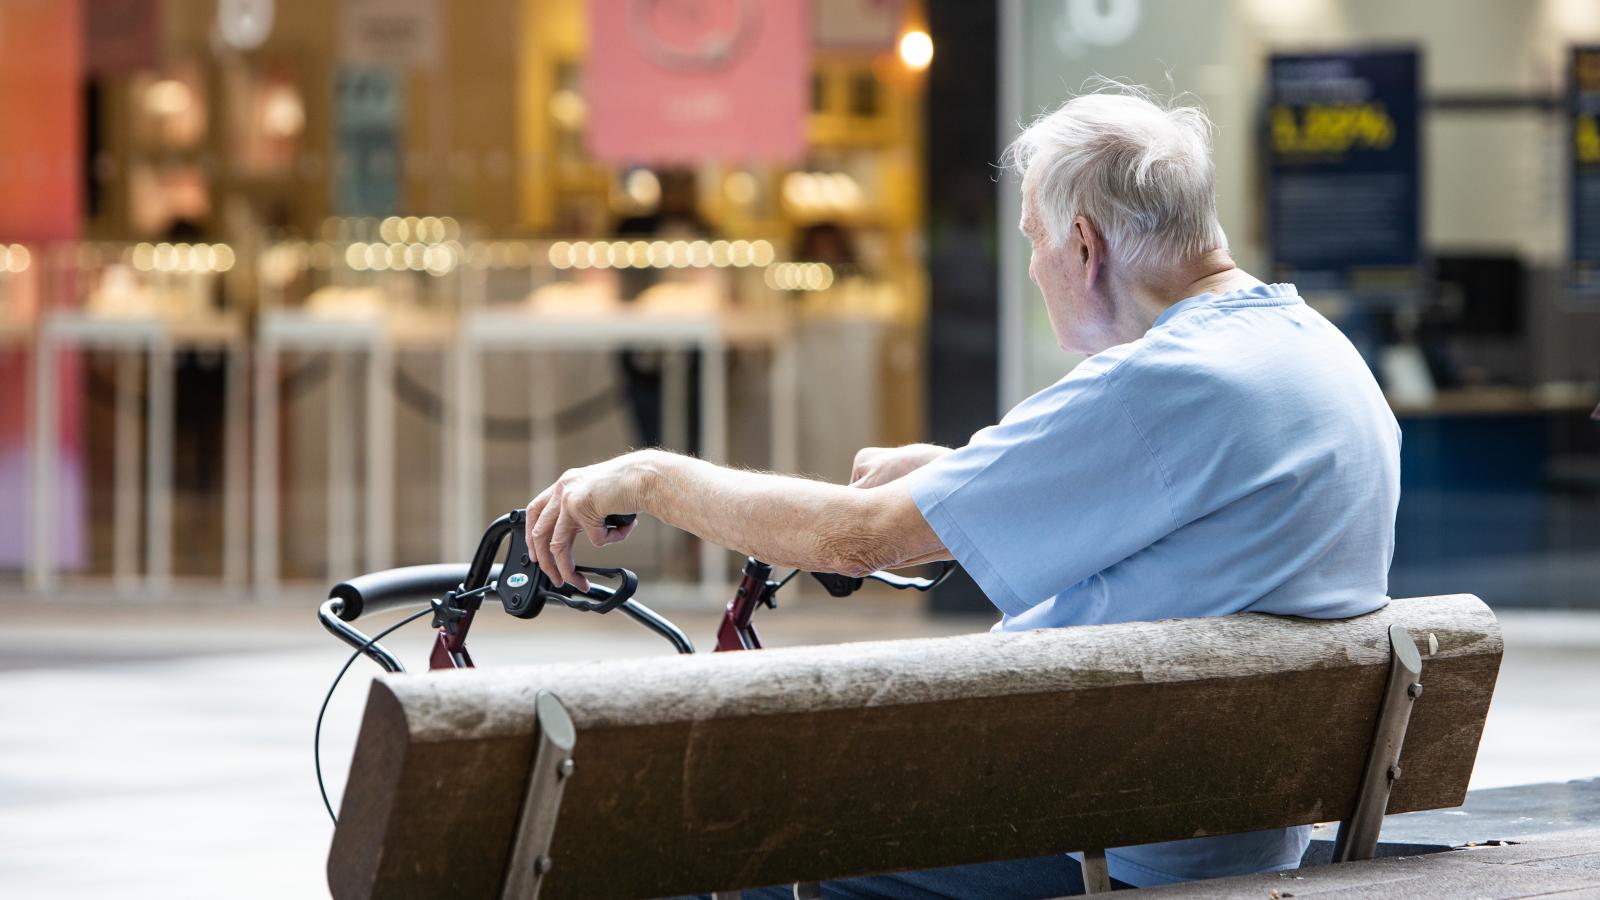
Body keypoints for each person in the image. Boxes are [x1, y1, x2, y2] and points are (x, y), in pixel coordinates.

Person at [522, 84, 1400, 896]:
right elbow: (1179, 509)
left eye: (1031, 239)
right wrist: (961, 472)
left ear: (1084, 245)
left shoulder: (1161, 385)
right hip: (1224, 826)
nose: (1029, 267)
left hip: (1103, 840)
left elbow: (856, 540)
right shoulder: (1315, 356)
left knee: (683, 846)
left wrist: (649, 475)